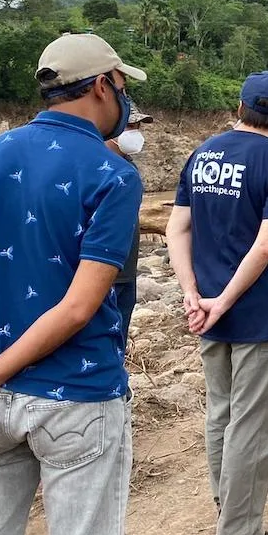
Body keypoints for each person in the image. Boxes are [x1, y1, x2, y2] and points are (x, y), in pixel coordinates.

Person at [0, 33, 144, 535]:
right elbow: (77, 308)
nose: (126, 100)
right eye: (122, 86)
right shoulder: (113, 174)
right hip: (77, 394)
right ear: (102, 85)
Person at [166, 71, 268, 535]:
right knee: (254, 425)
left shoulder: (202, 153)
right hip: (261, 312)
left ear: (238, 106)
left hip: (208, 312)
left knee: (221, 415)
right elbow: (266, 247)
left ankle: (232, 513)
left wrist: (193, 293)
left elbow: (176, 229)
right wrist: (224, 300)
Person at [105, 101, 154, 349]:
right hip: (103, 275)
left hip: (127, 272)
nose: (136, 132)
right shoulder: (94, 168)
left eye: (138, 125)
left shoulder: (129, 168)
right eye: (130, 125)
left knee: (118, 345)